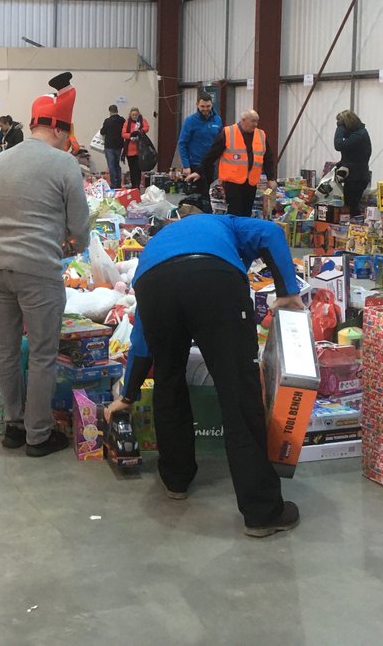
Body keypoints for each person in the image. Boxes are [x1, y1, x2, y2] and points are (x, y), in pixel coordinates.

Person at [105, 212, 305, 537]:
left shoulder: (159, 247)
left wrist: (127, 396)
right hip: (215, 278)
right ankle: (262, 512)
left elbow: (142, 341)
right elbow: (270, 232)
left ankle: (176, 480)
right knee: (237, 390)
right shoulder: (230, 223)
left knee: (169, 381)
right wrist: (288, 291)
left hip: (153, 286)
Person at [0, 72, 91, 457]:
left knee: (8, 349)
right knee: (44, 353)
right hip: (37, 268)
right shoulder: (64, 165)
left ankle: (13, 425)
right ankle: (39, 434)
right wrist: (73, 245)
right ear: (61, 131)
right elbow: (80, 226)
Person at [193, 110, 272, 218]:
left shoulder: (261, 135)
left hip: (251, 182)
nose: (255, 124)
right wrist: (199, 171)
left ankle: (244, 233)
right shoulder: (228, 132)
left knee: (246, 213)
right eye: (253, 121)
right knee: (235, 213)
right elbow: (212, 154)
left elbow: (268, 158)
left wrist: (271, 178)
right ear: (243, 120)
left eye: (257, 121)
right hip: (232, 182)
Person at [178, 93, 223, 191]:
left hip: (211, 165)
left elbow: (220, 142)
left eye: (208, 106)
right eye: (202, 106)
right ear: (197, 105)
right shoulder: (190, 121)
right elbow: (182, 143)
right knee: (197, 197)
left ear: (212, 105)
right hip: (195, 165)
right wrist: (186, 165)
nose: (205, 109)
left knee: (211, 196)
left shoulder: (217, 120)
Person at [334, 110, 371, 217]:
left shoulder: (359, 135)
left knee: (351, 208)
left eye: (341, 123)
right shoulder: (358, 133)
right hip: (356, 176)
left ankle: (355, 229)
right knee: (350, 206)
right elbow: (353, 155)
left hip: (357, 178)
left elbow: (338, 145)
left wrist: (340, 128)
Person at [122, 107, 150, 190]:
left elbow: (146, 128)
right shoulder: (127, 123)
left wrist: (139, 132)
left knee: (138, 169)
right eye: (133, 115)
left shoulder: (142, 121)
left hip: (140, 150)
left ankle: (137, 186)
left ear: (138, 114)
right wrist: (131, 135)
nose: (134, 116)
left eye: (136, 115)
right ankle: (134, 186)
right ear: (130, 115)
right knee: (132, 169)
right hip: (130, 150)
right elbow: (123, 134)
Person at [99, 105, 125, 189]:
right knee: (117, 164)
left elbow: (102, 132)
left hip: (109, 146)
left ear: (110, 111)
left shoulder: (107, 121)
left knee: (111, 165)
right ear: (117, 110)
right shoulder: (122, 120)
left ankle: (113, 184)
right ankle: (119, 183)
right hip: (119, 145)